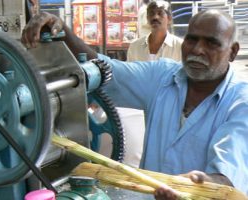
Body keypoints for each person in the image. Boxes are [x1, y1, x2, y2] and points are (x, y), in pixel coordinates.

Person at [21, 9, 248, 199]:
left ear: (233, 52)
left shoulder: (241, 102)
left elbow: (227, 174)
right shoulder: (162, 77)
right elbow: (106, 71)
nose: (197, 50)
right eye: (192, 39)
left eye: (211, 43)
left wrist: (202, 183)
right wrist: (63, 32)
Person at [120, 0, 183, 168]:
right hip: (138, 107)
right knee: (137, 147)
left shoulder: (181, 46)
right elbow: (129, 77)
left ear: (168, 18)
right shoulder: (135, 46)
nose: (155, 17)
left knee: (165, 149)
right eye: (151, 13)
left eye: (160, 13)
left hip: (169, 108)